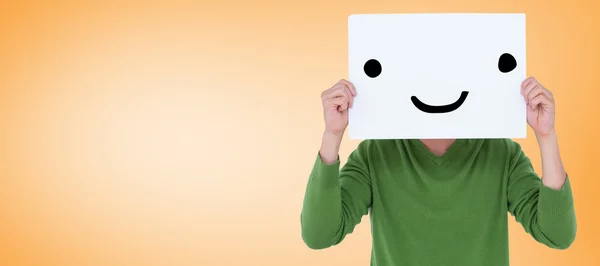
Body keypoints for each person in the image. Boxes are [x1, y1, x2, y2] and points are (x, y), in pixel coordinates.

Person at [300, 77, 576, 266]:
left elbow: (557, 234)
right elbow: (319, 235)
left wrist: (546, 135)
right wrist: (332, 135)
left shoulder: (501, 152)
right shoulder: (375, 152)